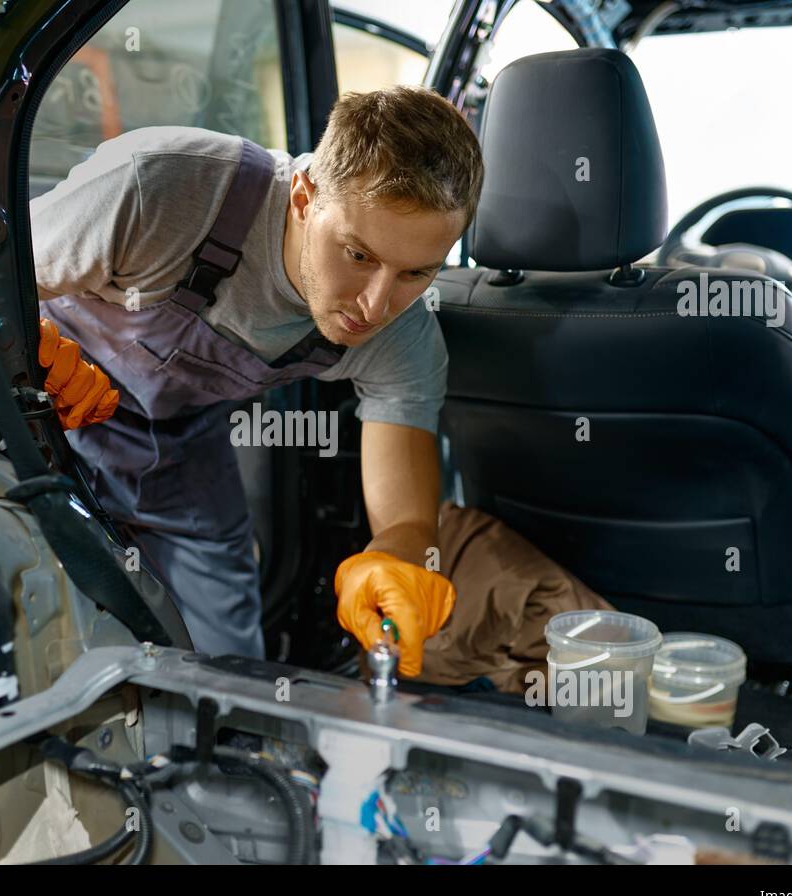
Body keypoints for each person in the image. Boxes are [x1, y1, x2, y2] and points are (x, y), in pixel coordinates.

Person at [30, 86, 484, 676]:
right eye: (358, 255)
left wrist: (393, 562)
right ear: (303, 196)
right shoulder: (162, 185)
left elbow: (406, 523)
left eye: (416, 273)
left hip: (178, 438)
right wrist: (26, 343)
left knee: (230, 658)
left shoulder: (404, 337)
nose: (376, 306)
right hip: (36, 407)